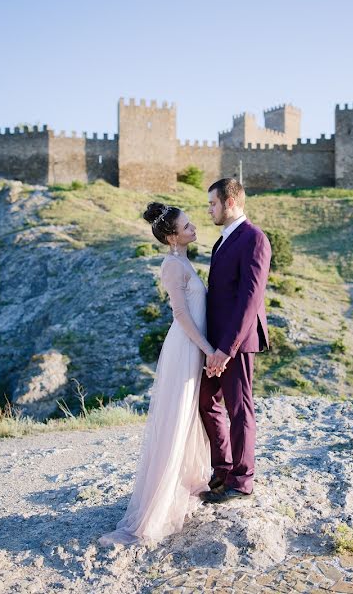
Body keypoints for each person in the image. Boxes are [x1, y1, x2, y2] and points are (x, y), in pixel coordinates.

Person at [99, 203, 213, 545]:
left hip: (194, 347)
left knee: (190, 417)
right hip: (186, 348)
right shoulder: (171, 265)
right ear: (171, 236)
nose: (194, 228)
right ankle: (156, 510)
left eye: (191, 223)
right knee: (177, 419)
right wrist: (208, 349)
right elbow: (180, 314)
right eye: (187, 225)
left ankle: (186, 486)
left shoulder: (184, 261)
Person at [199, 178, 272, 504]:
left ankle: (241, 482)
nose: (209, 209)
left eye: (212, 203)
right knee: (205, 401)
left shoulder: (254, 239)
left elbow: (249, 300)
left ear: (230, 202)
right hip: (215, 342)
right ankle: (223, 469)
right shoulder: (221, 242)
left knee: (240, 410)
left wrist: (227, 349)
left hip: (237, 343)